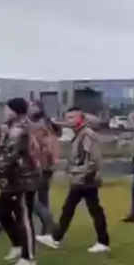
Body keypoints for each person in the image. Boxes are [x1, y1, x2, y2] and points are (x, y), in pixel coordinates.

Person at [42, 107, 112, 253]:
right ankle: (57, 237)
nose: (69, 121)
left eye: (72, 118)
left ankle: (102, 241)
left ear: (81, 118)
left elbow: (94, 158)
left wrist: (88, 175)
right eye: (68, 118)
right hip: (80, 177)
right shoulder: (79, 133)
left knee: (87, 209)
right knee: (73, 208)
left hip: (85, 179)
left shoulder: (87, 134)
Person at [0, 98, 42, 265]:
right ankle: (18, 245)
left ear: (14, 111)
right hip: (14, 179)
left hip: (23, 179)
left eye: (6, 109)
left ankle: (28, 257)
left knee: (24, 217)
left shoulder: (19, 130)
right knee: (1, 210)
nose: (4, 113)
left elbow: (9, 156)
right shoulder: (14, 128)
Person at [27, 102, 59, 241]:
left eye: (32, 106)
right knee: (42, 198)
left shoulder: (39, 126)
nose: (30, 108)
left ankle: (49, 225)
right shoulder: (46, 123)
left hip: (39, 166)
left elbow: (45, 148)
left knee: (32, 199)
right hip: (45, 166)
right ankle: (47, 229)